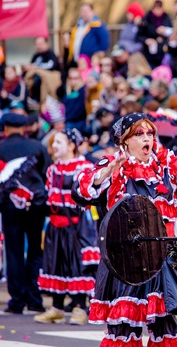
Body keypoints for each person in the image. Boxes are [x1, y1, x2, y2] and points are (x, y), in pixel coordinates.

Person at [71, 112, 177, 346]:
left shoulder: (171, 165)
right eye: (139, 134)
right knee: (124, 323)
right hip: (126, 260)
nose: (146, 138)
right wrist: (107, 172)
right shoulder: (113, 165)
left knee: (163, 324)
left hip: (162, 259)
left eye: (150, 133)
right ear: (125, 140)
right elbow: (81, 193)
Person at [35, 128, 97, 325]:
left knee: (76, 265)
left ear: (72, 146)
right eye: (54, 142)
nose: (54, 146)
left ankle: (79, 307)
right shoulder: (53, 169)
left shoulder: (83, 167)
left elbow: (86, 197)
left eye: (59, 142)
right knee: (56, 264)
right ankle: (57, 307)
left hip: (75, 227)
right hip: (55, 226)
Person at [0, 113, 52, 314]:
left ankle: (17, 300)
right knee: (35, 251)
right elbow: (47, 174)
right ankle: (35, 298)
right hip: (35, 204)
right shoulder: (37, 146)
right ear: (24, 129)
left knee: (13, 251)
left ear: (5, 129)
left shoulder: (1, 148)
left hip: (9, 205)